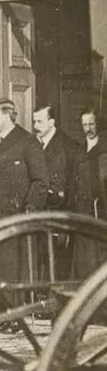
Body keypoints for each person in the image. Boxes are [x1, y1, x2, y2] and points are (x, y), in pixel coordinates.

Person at [0, 98, 49, 330]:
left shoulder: (27, 142)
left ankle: (14, 318)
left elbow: (40, 181)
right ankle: (4, 317)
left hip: (14, 216)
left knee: (13, 268)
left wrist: (28, 209)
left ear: (7, 116)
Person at [32, 104, 80, 285]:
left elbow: (72, 188)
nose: (35, 126)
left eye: (40, 121)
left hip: (57, 216)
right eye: (34, 121)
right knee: (36, 262)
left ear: (52, 122)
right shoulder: (32, 143)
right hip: (36, 215)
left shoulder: (69, 148)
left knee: (57, 265)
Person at [70, 108, 107, 279]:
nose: (88, 128)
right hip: (81, 213)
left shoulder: (103, 150)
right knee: (81, 264)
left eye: (91, 123)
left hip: (98, 214)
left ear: (97, 124)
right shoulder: (78, 150)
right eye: (84, 124)